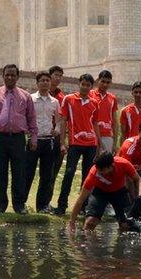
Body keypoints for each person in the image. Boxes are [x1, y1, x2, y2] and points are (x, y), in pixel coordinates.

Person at [0, 64, 37, 214]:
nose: (10, 77)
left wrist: (33, 138)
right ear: (3, 76)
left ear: (17, 77)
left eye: (13, 75)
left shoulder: (25, 96)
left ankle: (19, 205)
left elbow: (31, 119)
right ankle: (0, 205)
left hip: (18, 138)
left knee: (19, 172)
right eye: (7, 75)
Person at [54, 74, 101, 216]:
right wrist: (62, 142)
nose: (85, 87)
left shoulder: (94, 103)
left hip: (91, 143)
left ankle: (83, 207)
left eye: (88, 85)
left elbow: (95, 123)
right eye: (83, 84)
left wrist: (99, 143)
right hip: (75, 142)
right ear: (79, 84)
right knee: (69, 173)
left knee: (87, 177)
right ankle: (62, 206)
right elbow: (63, 121)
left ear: (91, 87)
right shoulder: (69, 99)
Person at [67, 151, 141, 233]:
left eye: (102, 170)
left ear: (111, 166)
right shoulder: (93, 173)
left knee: (125, 225)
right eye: (97, 169)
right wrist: (72, 222)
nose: (99, 172)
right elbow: (80, 199)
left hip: (119, 192)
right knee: (90, 222)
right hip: (100, 193)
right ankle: (87, 243)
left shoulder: (123, 164)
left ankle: (121, 244)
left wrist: (140, 193)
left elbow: (138, 179)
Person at [23, 71, 60, 213]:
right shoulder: (30, 99)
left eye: (47, 80)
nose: (45, 83)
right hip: (33, 140)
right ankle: (21, 203)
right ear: (37, 83)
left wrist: (56, 129)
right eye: (42, 80)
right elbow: (25, 117)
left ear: (50, 83)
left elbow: (59, 120)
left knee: (46, 175)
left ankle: (42, 205)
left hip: (48, 141)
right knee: (28, 173)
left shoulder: (55, 102)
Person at [90, 70, 119, 154]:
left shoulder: (112, 98)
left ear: (111, 83)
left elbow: (115, 121)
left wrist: (115, 142)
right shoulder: (90, 94)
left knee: (105, 165)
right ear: (97, 80)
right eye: (103, 81)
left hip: (107, 135)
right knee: (91, 164)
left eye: (108, 82)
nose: (105, 84)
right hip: (91, 135)